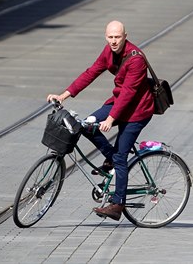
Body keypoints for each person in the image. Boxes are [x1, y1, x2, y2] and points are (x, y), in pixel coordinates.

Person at [46, 20, 154, 221]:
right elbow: (91, 72)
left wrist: (111, 119)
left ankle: (117, 204)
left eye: (117, 37)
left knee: (121, 157)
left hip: (137, 111)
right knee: (85, 125)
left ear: (125, 36)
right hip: (118, 103)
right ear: (106, 37)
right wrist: (64, 95)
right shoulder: (109, 51)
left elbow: (129, 93)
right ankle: (110, 157)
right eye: (110, 37)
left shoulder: (136, 59)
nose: (113, 41)